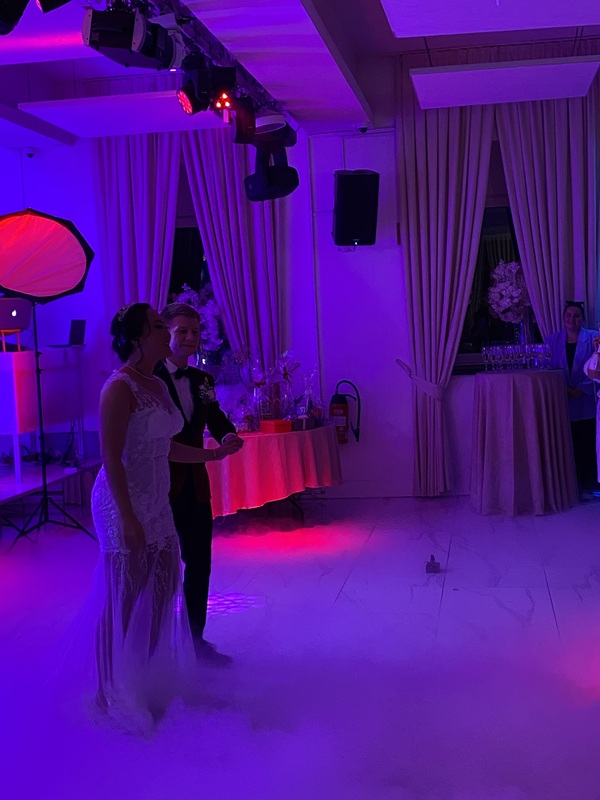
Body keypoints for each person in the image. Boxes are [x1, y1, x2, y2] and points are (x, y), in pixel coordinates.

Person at [90, 302, 241, 731]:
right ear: (139, 338)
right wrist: (128, 518)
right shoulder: (118, 387)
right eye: (159, 326)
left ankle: (147, 676)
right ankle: (107, 690)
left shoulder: (156, 384)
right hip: (122, 501)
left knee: (161, 591)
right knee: (122, 596)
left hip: (157, 501)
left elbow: (167, 445)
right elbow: (111, 458)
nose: (168, 333)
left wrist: (213, 454)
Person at [155, 302, 244, 663]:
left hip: (195, 484)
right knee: (159, 567)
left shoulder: (203, 380)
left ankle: (195, 641)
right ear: (165, 334)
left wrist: (227, 435)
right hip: (158, 485)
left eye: (195, 331)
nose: (190, 337)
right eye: (182, 331)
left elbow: (214, 415)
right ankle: (158, 646)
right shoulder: (148, 379)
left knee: (199, 563)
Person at [545, 301, 597, 495]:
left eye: (576, 315)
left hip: (586, 399)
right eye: (568, 315)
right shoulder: (552, 340)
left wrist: (581, 388)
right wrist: (564, 388)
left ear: (582, 319)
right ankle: (570, 486)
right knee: (568, 444)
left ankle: (590, 484)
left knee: (587, 442)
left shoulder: (593, 337)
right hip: (562, 398)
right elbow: (547, 367)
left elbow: (598, 366)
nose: (572, 319)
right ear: (563, 318)